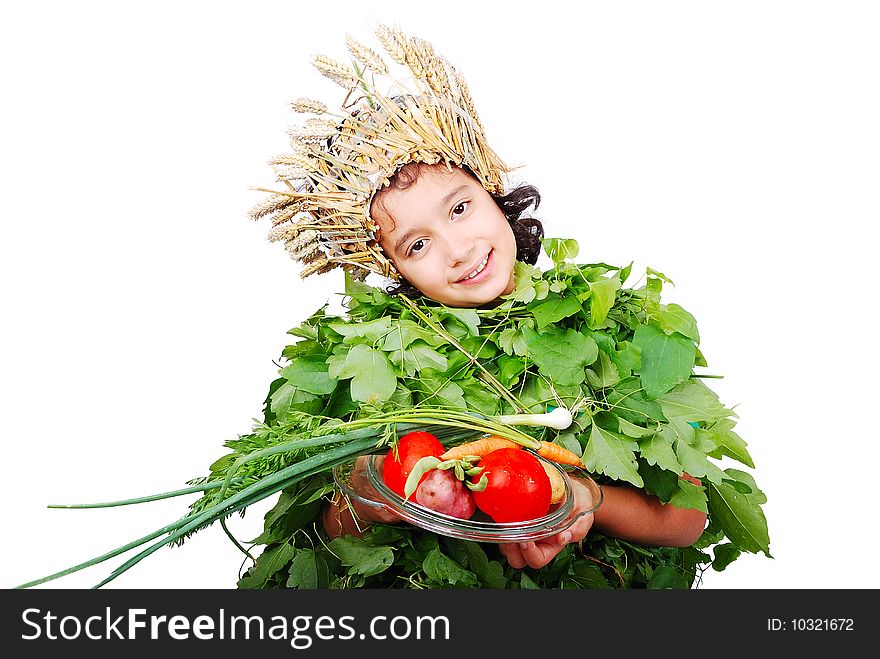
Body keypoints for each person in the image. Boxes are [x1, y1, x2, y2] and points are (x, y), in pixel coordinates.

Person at [251, 25, 707, 572]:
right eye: (417, 245)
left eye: (460, 208)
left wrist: (589, 498)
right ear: (388, 265)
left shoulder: (620, 323)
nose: (458, 251)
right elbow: (322, 535)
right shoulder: (375, 363)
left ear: (489, 184)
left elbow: (687, 519)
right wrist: (370, 493)